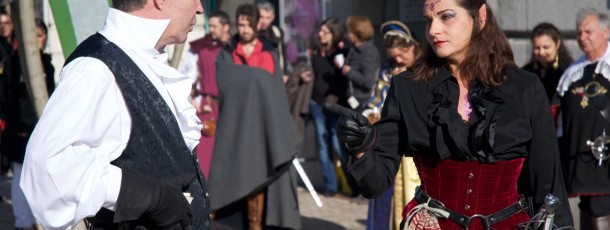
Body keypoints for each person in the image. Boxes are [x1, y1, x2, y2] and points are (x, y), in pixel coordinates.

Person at [327, 0, 573, 229]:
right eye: (427, 21)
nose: (433, 30)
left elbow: (549, 184)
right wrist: (360, 147)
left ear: (480, 15)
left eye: (446, 17)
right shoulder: (408, 88)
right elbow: (375, 182)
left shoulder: (524, 88)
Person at [19, 1, 210, 229]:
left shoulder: (144, 57)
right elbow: (45, 166)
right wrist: (147, 195)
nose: (200, 8)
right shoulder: (95, 70)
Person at [208, 4, 301, 230]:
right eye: (241, 24)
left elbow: (275, 90)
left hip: (265, 127)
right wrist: (257, 80)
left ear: (257, 24)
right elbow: (227, 81)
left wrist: (254, 81)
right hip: (237, 126)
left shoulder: (268, 52)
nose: (245, 29)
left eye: (249, 25)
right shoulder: (228, 52)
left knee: (264, 180)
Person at [364, 20, 422, 230]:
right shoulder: (386, 72)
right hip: (389, 144)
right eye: (393, 55)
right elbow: (374, 101)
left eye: (401, 55)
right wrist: (371, 114)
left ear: (413, 47)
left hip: (415, 147)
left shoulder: (423, 71)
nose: (397, 60)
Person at [557, 9, 610, 228]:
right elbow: (558, 118)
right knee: (587, 208)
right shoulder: (573, 71)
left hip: (605, 162)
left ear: (606, 32)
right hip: (580, 159)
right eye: (579, 33)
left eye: (588, 31)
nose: (582, 37)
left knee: (601, 208)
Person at [2, 18, 55, 230]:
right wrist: (19, 125)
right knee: (20, 174)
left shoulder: (46, 63)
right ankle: (23, 222)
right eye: (34, 35)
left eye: (41, 35)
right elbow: (8, 95)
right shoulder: (16, 62)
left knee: (39, 177)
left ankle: (36, 220)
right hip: (21, 128)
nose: (38, 39)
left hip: (40, 127)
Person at [179, 11, 231, 180]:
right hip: (208, 108)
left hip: (230, 107)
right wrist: (192, 99)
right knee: (206, 155)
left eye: (215, 26)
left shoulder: (233, 48)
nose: (212, 30)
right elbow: (187, 79)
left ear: (226, 27)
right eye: (211, 26)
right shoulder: (200, 49)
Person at [309, 17, 349, 197]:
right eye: (320, 31)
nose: (320, 34)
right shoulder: (317, 51)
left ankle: (351, 185)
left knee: (337, 144)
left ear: (334, 34)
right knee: (323, 146)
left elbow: (344, 78)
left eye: (325, 31)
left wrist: (337, 94)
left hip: (335, 106)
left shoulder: (341, 52)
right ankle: (331, 185)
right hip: (317, 103)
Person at [522, 22, 574, 103]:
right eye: (537, 48)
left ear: (557, 44)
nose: (541, 52)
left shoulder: (568, 71)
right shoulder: (526, 72)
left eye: (546, 47)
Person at [342, 15, 380, 113]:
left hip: (362, 100)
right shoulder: (354, 48)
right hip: (352, 98)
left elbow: (368, 82)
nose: (346, 34)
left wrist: (349, 71)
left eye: (349, 31)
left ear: (357, 33)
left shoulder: (368, 52)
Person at [257, 1, 289, 82]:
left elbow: (283, 53)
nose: (264, 21)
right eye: (261, 17)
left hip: (277, 77)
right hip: (259, 78)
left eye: (268, 18)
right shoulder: (252, 34)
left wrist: (284, 73)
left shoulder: (277, 32)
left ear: (273, 17)